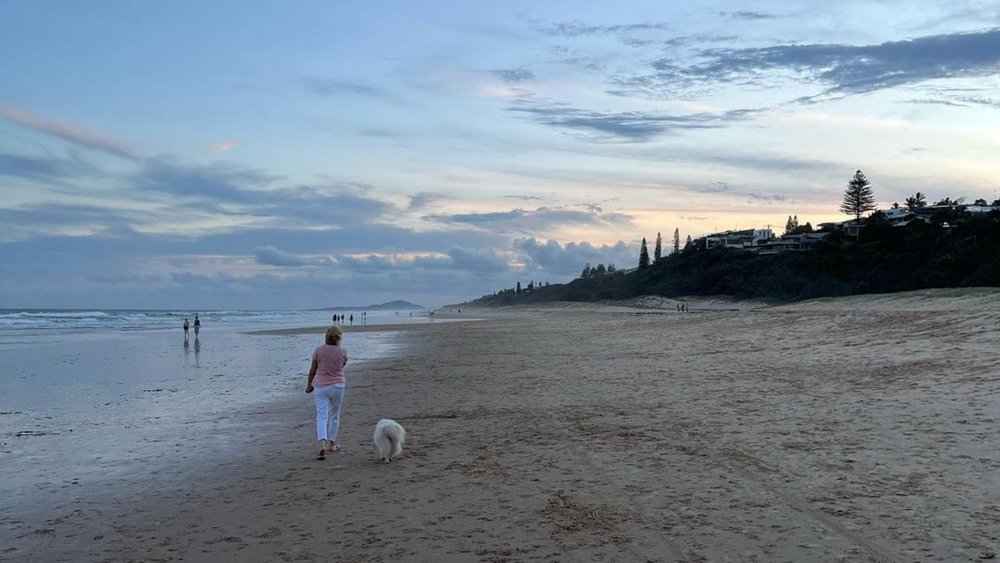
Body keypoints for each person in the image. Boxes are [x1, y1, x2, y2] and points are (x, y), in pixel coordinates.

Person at [306, 326, 348, 460]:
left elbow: (313, 370)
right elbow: (341, 365)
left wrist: (309, 384)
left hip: (321, 386)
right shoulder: (342, 351)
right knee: (335, 415)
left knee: (322, 416)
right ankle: (332, 443)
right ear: (339, 338)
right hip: (338, 385)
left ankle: (322, 444)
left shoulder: (318, 351)